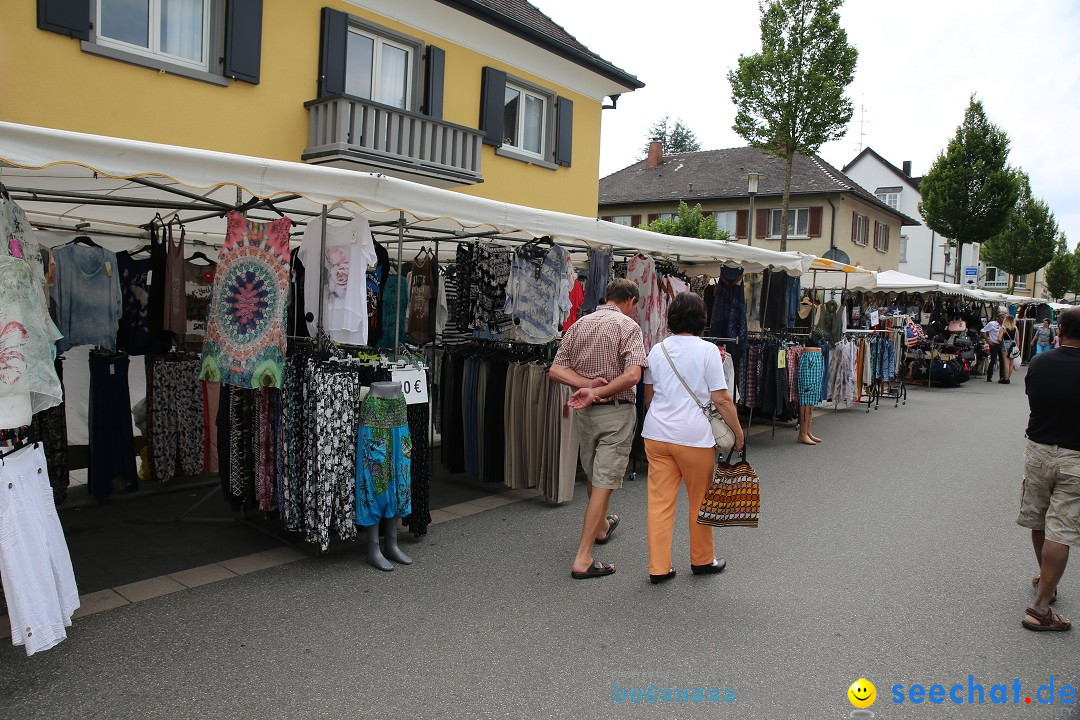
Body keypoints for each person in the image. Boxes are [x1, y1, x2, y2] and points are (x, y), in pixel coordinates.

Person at [640, 293, 745, 584]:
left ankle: (659, 567)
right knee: (700, 500)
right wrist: (738, 433)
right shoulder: (708, 351)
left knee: (660, 503)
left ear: (671, 317)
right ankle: (701, 560)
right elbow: (722, 399)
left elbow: (649, 397)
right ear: (701, 318)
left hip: (657, 434)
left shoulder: (657, 350)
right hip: (694, 437)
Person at [549, 279, 646, 580]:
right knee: (603, 482)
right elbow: (633, 376)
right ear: (629, 300)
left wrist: (588, 387)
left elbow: (555, 369)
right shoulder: (629, 327)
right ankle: (583, 558)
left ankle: (602, 526)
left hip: (586, 413)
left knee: (594, 474)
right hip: (615, 412)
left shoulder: (580, 324)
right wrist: (597, 391)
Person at [1016, 306, 1080, 632]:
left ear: (1059, 330)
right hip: (1075, 457)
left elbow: (1034, 398)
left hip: (1038, 451)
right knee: (1062, 529)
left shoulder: (1040, 362)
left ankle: (1047, 583)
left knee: (1040, 519)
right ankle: (1040, 607)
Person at [981, 312, 1005, 382]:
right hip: (994, 344)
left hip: (1001, 344)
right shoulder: (992, 324)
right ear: (998, 318)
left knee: (1002, 360)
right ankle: (989, 376)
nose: (1003, 319)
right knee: (993, 360)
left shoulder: (1004, 325)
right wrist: (988, 341)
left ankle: (1002, 376)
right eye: (1002, 317)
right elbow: (983, 331)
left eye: (1004, 317)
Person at [999, 314, 1018, 384]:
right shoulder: (1015, 328)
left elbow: (999, 338)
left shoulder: (1003, 328)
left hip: (1005, 345)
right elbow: (1018, 339)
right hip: (1013, 345)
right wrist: (1017, 347)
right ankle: (1008, 377)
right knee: (1011, 363)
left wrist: (1000, 340)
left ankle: (1005, 378)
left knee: (1006, 363)